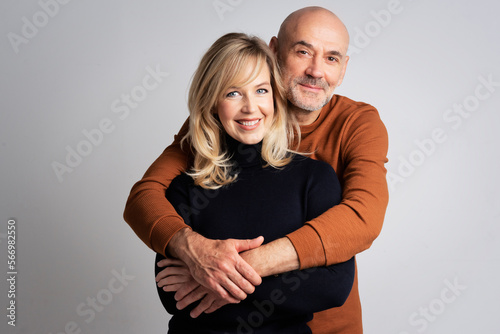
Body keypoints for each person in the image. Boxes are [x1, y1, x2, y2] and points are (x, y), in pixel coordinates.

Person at [124, 6, 389, 333]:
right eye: (303, 51)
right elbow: (143, 197)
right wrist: (191, 248)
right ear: (274, 50)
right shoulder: (218, 129)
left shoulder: (356, 125)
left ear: (344, 67)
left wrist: (228, 271)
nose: (316, 71)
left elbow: (362, 219)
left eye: (332, 58)